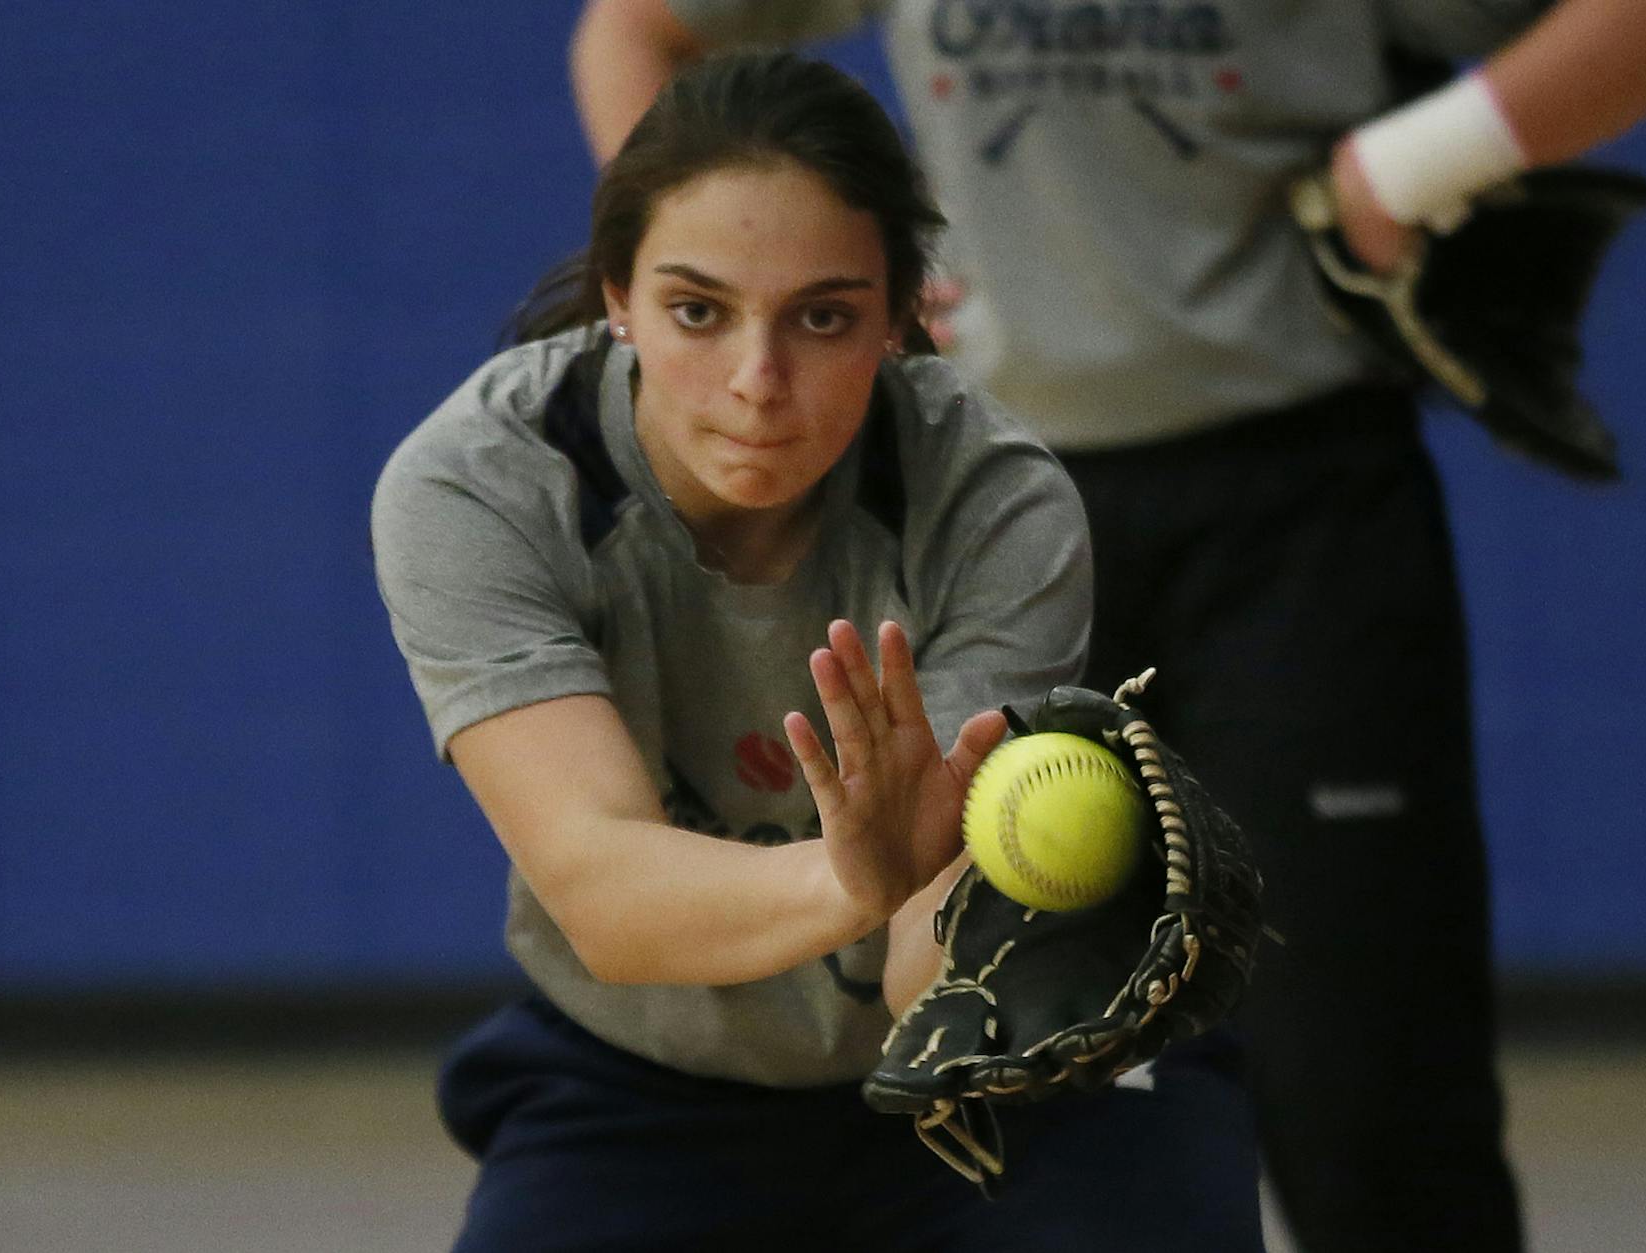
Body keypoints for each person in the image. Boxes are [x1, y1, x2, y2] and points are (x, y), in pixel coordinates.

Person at [569, 3, 1646, 1249]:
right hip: (988, 514)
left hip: (1302, 513)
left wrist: (1413, 160)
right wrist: (763, 274)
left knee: (1368, 1096)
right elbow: (635, 29)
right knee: (972, 1086)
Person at [372, 50, 1267, 1251]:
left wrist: (952, 918)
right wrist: (853, 875)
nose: (758, 382)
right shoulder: (479, 485)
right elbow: (604, 896)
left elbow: (918, 972)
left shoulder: (994, 498)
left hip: (984, 1071)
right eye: (698, 310)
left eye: (824, 316)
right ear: (616, 298)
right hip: (647, 1079)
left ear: (902, 316)